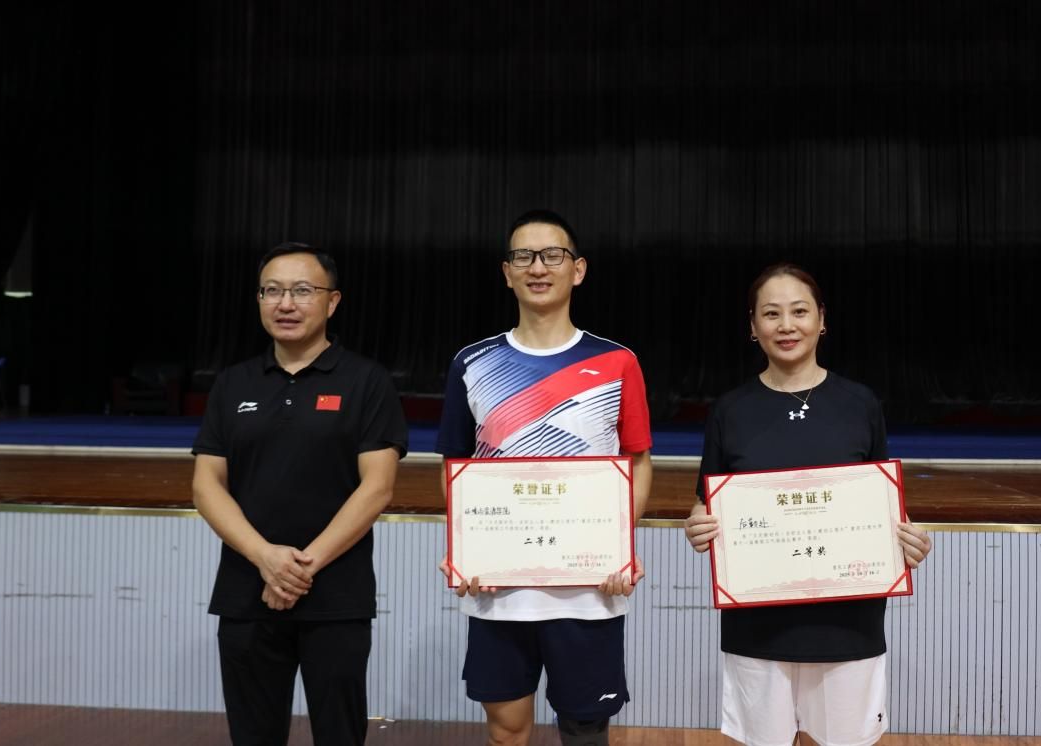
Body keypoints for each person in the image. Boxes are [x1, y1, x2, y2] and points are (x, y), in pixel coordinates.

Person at [683, 263, 932, 746]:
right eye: (771, 314)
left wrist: (909, 537)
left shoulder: (860, 403)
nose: (786, 325)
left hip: (847, 622)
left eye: (799, 311)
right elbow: (704, 503)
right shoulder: (730, 410)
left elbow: (882, 501)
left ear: (822, 319)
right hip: (758, 622)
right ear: (753, 326)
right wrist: (698, 526)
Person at [436, 210, 653, 746]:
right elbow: (455, 466)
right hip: (499, 590)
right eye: (524, 256)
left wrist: (618, 546)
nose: (538, 267)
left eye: (553, 255)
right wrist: (464, 547)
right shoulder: (472, 362)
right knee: (506, 731)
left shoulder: (617, 361)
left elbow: (637, 461)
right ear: (506, 272)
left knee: (585, 730)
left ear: (578, 270)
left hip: (589, 591)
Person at [192, 242, 407, 745]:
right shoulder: (233, 383)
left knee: (339, 734)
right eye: (272, 291)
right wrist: (265, 558)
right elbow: (206, 485)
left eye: (302, 291)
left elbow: (377, 488)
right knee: (253, 735)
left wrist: (298, 569)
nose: (285, 303)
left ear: (332, 302)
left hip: (336, 598)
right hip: (246, 593)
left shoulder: (366, 381)